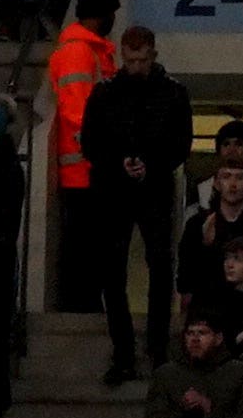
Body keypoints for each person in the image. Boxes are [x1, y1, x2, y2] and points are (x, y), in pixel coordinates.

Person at [78, 21, 191, 382]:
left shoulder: (173, 93)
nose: (136, 67)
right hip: (113, 190)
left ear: (153, 55)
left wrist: (150, 165)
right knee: (113, 272)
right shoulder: (105, 93)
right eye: (130, 60)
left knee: (160, 265)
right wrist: (120, 163)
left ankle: (157, 347)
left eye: (141, 60)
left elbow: (180, 143)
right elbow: (91, 142)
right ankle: (124, 350)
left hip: (153, 188)